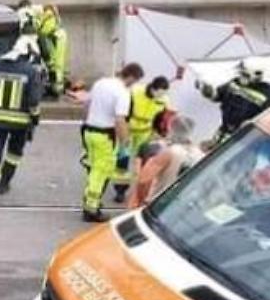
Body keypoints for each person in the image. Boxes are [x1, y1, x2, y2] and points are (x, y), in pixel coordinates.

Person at [0, 37, 43, 204]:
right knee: (14, 154)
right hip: (20, 123)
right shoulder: (31, 71)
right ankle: (4, 184)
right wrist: (35, 119)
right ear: (27, 54)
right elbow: (34, 100)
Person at [80, 63, 145, 222]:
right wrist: (125, 141)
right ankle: (91, 209)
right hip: (105, 135)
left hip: (89, 130)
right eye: (134, 81)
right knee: (100, 171)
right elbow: (120, 119)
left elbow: (87, 105)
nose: (133, 84)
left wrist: (87, 121)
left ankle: (90, 201)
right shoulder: (122, 93)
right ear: (131, 77)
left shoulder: (101, 83)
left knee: (92, 167)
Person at [112, 75, 171, 204]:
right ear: (153, 88)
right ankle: (120, 190)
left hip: (145, 134)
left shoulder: (164, 100)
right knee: (123, 160)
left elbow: (162, 119)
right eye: (159, 92)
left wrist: (161, 134)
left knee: (145, 164)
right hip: (129, 131)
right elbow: (124, 111)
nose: (159, 96)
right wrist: (122, 131)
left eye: (163, 94)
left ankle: (142, 190)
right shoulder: (135, 92)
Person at [199, 58, 270, 145]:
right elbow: (220, 95)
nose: (241, 76)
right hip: (222, 135)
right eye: (241, 73)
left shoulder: (269, 94)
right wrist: (210, 93)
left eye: (245, 74)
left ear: (257, 75)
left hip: (244, 142)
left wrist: (253, 126)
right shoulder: (235, 82)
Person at [129, 114, 204, 208]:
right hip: (178, 208)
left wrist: (141, 201)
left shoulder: (169, 152)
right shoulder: (201, 156)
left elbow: (144, 179)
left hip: (157, 204)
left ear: (170, 128)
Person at [36, 4, 69, 96]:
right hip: (59, 38)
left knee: (56, 65)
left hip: (56, 39)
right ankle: (58, 87)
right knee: (59, 65)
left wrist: (37, 29)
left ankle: (57, 88)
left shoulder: (48, 15)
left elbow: (44, 31)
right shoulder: (53, 15)